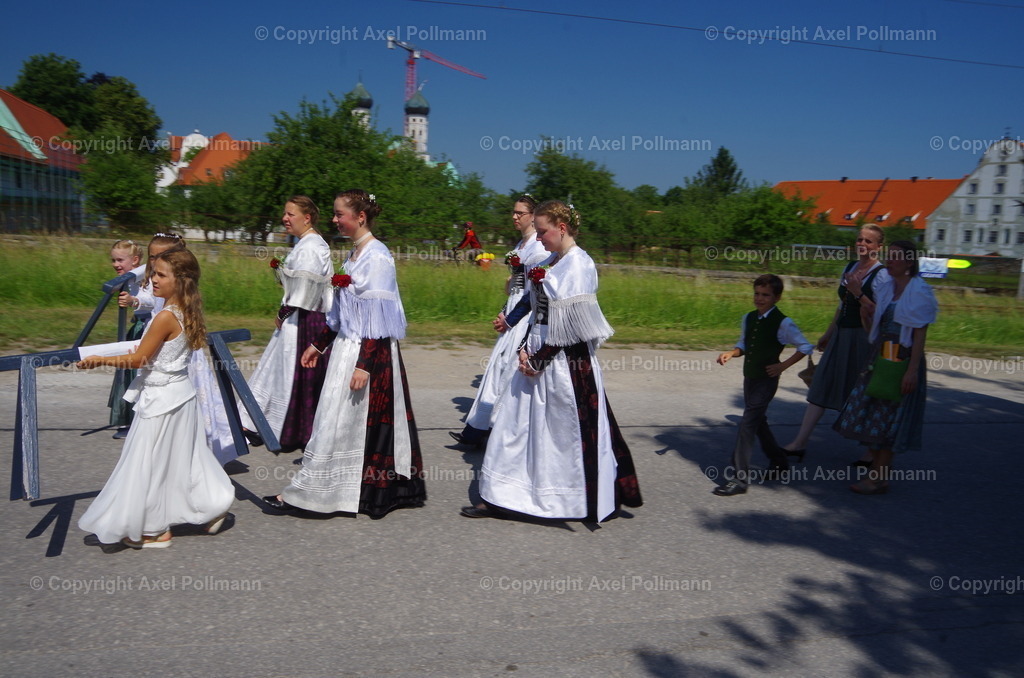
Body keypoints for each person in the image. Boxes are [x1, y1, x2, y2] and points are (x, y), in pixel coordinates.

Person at [464, 200, 642, 522]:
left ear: (562, 228)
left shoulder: (579, 265)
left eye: (544, 231)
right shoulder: (548, 260)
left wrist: (539, 360)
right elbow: (535, 309)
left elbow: (572, 328)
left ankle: (570, 500)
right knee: (513, 426)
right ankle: (501, 496)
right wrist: (522, 345)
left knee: (561, 434)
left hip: (564, 364)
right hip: (534, 352)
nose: (540, 237)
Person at [263, 189, 426, 518]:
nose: (335, 220)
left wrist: (364, 366)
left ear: (360, 217)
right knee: (332, 419)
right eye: (335, 214)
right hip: (344, 349)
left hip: (370, 354)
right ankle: (329, 490)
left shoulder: (377, 257)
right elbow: (339, 312)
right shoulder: (353, 256)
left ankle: (316, 493)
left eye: (340, 214)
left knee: (347, 422)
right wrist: (318, 343)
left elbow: (376, 320)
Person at [78, 248, 234, 549]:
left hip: (162, 401)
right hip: (181, 397)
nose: (154, 280)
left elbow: (139, 359)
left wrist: (100, 359)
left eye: (162, 274)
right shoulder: (187, 310)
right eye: (153, 273)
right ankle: (213, 504)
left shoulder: (165, 316)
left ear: (181, 280)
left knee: (148, 463)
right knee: (184, 461)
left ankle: (154, 528)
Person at [119, 233, 240, 465]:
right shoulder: (156, 281)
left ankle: (194, 451)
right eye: (152, 257)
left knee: (186, 396)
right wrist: (135, 301)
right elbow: (146, 298)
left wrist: (99, 359)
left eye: (161, 257)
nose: (154, 262)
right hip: (159, 337)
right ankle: (166, 451)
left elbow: (139, 357)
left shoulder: (175, 286)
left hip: (174, 346)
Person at [834, 241, 938, 495]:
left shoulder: (920, 292)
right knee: (875, 417)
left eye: (895, 257)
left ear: (909, 263)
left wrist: (912, 371)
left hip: (901, 362)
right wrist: (865, 314)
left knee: (891, 420)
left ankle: (878, 477)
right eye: (889, 256)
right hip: (880, 356)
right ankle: (878, 476)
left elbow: (919, 336)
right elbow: (875, 327)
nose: (889, 261)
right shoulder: (887, 288)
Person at [781, 225, 889, 464]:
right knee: (821, 383)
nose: (862, 244)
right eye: (859, 239)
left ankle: (871, 451)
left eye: (869, 241)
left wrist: (858, 292)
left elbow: (877, 311)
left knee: (865, 392)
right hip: (842, 335)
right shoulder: (850, 267)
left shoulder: (882, 275)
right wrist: (829, 333)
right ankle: (799, 443)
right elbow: (841, 306)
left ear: (879, 247)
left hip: (865, 338)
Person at [450, 194, 547, 449]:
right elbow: (516, 285)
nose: (514, 217)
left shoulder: (538, 248)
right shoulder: (521, 244)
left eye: (520, 213)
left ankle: (492, 432)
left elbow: (532, 293)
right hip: (513, 311)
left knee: (506, 371)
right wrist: (505, 309)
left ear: (533, 216)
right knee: (497, 369)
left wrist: (512, 318)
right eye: (513, 212)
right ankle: (480, 430)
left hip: (524, 319)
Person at [239, 196, 333, 452]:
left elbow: (304, 292)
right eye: (285, 213)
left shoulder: (311, 247)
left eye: (291, 214)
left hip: (303, 321)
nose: (285, 218)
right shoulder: (308, 244)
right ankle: (259, 424)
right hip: (299, 318)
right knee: (275, 370)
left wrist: (283, 312)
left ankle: (280, 428)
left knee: (289, 374)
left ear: (307, 217)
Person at [713, 274, 814, 497]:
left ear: (776, 297)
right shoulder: (748, 318)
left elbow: (806, 347)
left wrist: (782, 366)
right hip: (750, 377)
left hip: (767, 381)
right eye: (757, 294)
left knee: (747, 424)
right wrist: (732, 352)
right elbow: (744, 345)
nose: (759, 298)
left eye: (765, 295)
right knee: (758, 422)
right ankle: (779, 461)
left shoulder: (783, 322)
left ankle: (739, 479)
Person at [106, 239, 144, 439]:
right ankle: (127, 418)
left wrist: (134, 301)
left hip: (146, 329)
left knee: (138, 372)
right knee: (127, 371)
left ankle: (139, 419)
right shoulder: (127, 280)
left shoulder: (144, 278)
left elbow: (153, 300)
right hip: (135, 328)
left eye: (120, 260)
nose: (115, 264)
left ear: (135, 260)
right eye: (113, 260)